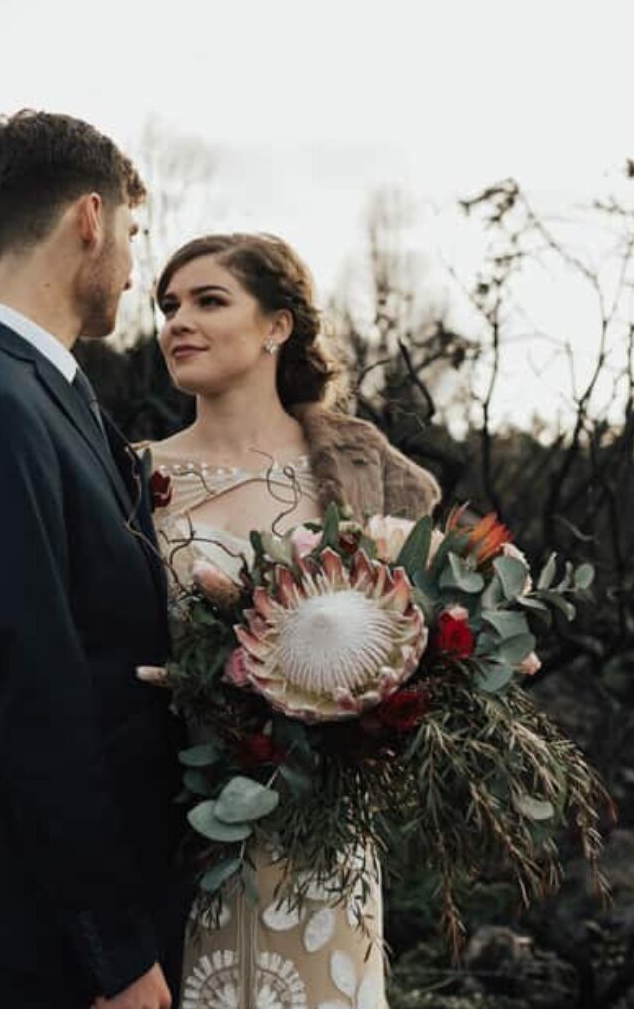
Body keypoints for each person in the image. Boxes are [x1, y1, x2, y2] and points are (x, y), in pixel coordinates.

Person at [0, 111, 186, 1009]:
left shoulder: (46, 388)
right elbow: (35, 691)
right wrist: (117, 953)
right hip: (39, 931)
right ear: (90, 220)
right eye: (134, 237)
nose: (137, 272)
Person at [141, 232, 440, 1009]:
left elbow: (420, 634)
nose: (178, 321)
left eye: (209, 301)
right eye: (169, 305)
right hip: (177, 823)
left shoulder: (357, 469)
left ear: (278, 325)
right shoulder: (133, 474)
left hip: (322, 840)